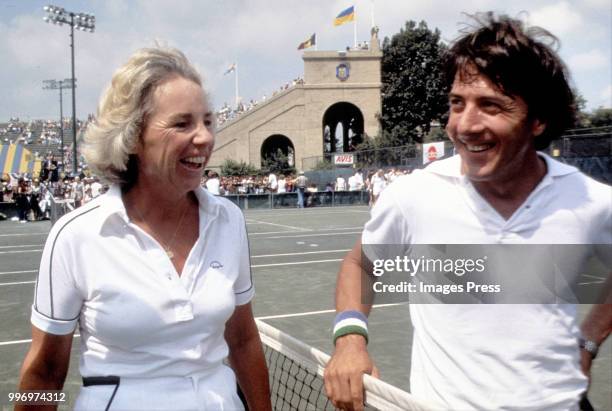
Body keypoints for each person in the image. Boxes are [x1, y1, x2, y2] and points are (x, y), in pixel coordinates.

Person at [324, 13, 611, 411]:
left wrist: (589, 341)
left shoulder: (590, 201)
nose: (464, 125)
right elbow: (361, 265)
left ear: (538, 120)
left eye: (491, 106)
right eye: (458, 103)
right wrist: (350, 339)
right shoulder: (415, 195)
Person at [18, 46, 271, 411]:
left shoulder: (228, 220)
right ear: (133, 136)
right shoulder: (76, 235)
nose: (204, 137)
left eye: (208, 121)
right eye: (183, 123)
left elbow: (243, 339)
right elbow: (44, 373)